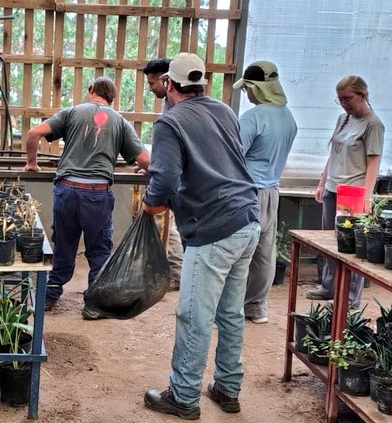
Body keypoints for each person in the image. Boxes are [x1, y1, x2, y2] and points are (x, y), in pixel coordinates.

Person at [141, 53, 260, 420]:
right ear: (202, 83)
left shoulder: (170, 122)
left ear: (169, 85)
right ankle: (227, 387)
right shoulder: (224, 110)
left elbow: (164, 179)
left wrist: (150, 206)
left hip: (213, 229)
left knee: (194, 315)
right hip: (248, 219)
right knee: (230, 312)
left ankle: (184, 396)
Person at [23, 76, 150, 316]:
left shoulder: (71, 113)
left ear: (91, 90)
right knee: (99, 250)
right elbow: (146, 160)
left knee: (64, 244)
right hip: (96, 194)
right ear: (112, 98)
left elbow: (33, 133)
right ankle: (94, 305)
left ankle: (49, 297)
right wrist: (144, 169)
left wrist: (32, 163)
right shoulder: (120, 122)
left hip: (67, 190)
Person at [307, 75, 384, 309]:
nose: (344, 104)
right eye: (340, 99)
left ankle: (350, 297)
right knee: (330, 242)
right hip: (333, 188)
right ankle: (328, 286)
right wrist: (322, 183)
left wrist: (367, 196)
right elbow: (333, 154)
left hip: (353, 193)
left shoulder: (373, 124)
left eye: (348, 99)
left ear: (362, 96)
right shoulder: (343, 119)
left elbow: (373, 163)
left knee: (350, 246)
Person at [232, 61, 298, 324]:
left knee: (237, 252)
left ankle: (230, 308)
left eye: (248, 88)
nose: (247, 93)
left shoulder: (254, 117)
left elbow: (234, 156)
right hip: (271, 191)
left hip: (247, 192)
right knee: (264, 253)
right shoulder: (288, 117)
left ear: (258, 89)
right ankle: (257, 307)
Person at [143, 57, 183, 290]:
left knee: (170, 226)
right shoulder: (168, 104)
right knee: (167, 226)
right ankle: (169, 271)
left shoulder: (176, 107)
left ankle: (176, 274)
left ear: (165, 80)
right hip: (171, 174)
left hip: (174, 179)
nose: (150, 88)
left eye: (151, 83)